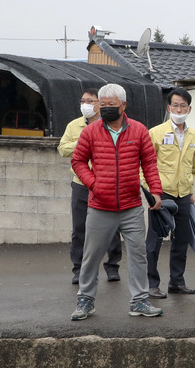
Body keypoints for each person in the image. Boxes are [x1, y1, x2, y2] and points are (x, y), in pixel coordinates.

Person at [70, 83, 163, 321]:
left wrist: (156, 192)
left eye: (112, 105)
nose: (107, 108)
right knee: (91, 255)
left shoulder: (139, 130)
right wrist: (94, 184)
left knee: (138, 253)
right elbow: (78, 161)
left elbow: (150, 163)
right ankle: (85, 300)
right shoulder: (90, 132)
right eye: (103, 105)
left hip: (131, 206)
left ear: (123, 105)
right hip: (100, 206)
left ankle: (140, 300)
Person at [58, 88, 122, 285]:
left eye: (90, 101)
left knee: (111, 227)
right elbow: (62, 149)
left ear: (99, 104)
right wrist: (84, 141)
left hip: (106, 183)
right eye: (83, 100)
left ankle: (112, 267)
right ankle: (78, 269)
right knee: (79, 228)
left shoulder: (109, 123)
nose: (86, 104)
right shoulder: (74, 125)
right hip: (80, 184)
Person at [145, 88, 195, 299]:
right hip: (161, 194)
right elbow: (145, 165)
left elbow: (192, 167)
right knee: (155, 240)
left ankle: (177, 282)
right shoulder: (156, 133)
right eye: (175, 105)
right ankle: (151, 284)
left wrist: (190, 190)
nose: (179, 109)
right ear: (168, 108)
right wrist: (151, 192)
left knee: (181, 240)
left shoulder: (193, 134)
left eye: (183, 105)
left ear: (189, 109)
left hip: (183, 194)